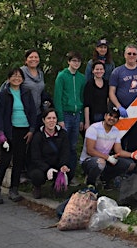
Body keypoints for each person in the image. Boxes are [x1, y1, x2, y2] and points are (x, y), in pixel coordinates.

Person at [0, 68, 36, 204]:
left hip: (24, 130)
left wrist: (31, 130)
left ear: (22, 79)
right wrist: (0, 133)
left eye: (19, 76)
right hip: (9, 131)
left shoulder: (27, 93)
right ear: (9, 78)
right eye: (14, 76)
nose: (17, 78)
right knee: (5, 161)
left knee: (19, 161)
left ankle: (14, 189)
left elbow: (33, 112)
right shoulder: (4, 94)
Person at [80, 106, 137, 189]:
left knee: (131, 164)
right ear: (105, 116)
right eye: (110, 115)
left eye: (115, 117)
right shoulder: (94, 128)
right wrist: (108, 157)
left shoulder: (116, 131)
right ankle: (90, 183)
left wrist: (132, 155)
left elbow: (118, 150)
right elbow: (90, 151)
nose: (112, 118)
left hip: (106, 159)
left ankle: (105, 179)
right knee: (100, 162)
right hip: (89, 160)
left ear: (118, 120)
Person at [109, 44, 137, 152]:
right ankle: (120, 167)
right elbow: (111, 92)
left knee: (136, 143)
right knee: (119, 143)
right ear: (125, 55)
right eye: (129, 53)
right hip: (122, 113)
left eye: (134, 54)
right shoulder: (117, 71)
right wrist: (119, 107)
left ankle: (133, 166)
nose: (131, 56)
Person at [54, 51, 85, 185]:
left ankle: (71, 175)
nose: (76, 63)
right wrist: (59, 118)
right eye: (73, 61)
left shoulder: (81, 78)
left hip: (76, 114)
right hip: (65, 114)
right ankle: (59, 174)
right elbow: (57, 98)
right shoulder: (61, 76)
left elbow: (83, 98)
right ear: (68, 62)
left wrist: (82, 118)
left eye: (78, 61)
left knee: (73, 146)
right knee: (62, 145)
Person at [28, 109, 71, 199]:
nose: (51, 120)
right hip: (41, 167)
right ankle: (37, 187)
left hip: (57, 165)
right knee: (37, 175)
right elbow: (35, 158)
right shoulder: (38, 136)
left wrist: (64, 165)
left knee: (70, 171)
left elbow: (66, 152)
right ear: (44, 120)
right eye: (49, 118)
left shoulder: (63, 134)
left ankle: (56, 186)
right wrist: (47, 169)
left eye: (54, 118)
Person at [19, 49, 51, 129]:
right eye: (31, 57)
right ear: (26, 60)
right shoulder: (20, 72)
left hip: (38, 113)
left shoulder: (40, 73)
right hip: (24, 113)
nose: (34, 59)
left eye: (36, 57)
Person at [83, 62, 109, 130]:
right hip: (93, 118)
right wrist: (87, 122)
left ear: (104, 70)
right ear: (93, 71)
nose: (99, 71)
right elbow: (86, 105)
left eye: (101, 69)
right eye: (97, 69)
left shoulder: (107, 84)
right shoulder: (89, 84)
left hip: (104, 117)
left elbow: (108, 101)